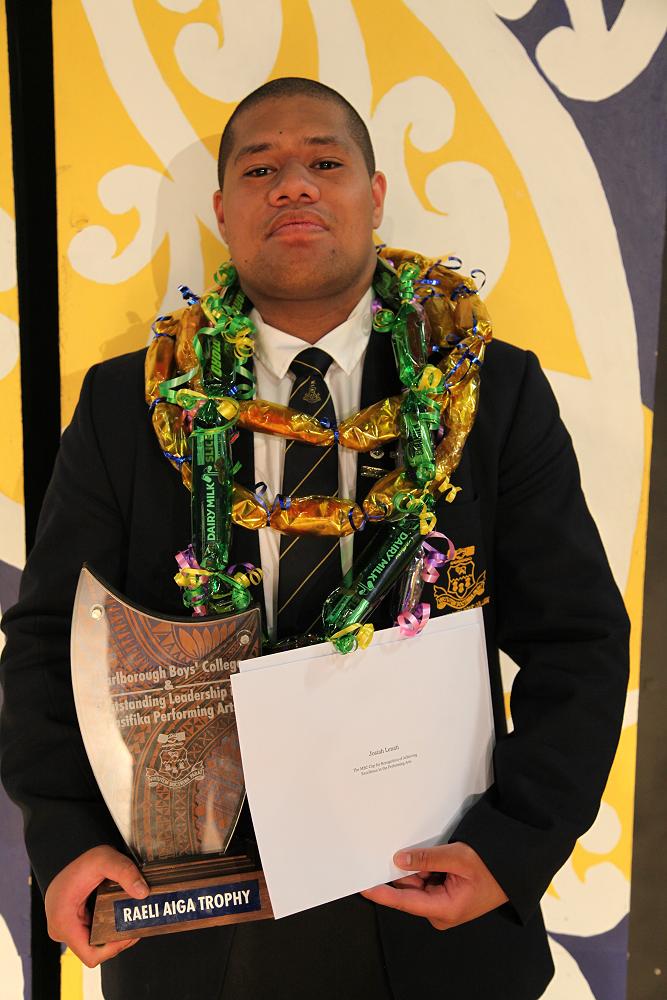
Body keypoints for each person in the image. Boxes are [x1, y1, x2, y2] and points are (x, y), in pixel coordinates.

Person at [0, 77, 629, 1000]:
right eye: (260, 169)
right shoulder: (130, 404)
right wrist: (64, 838)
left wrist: (511, 847)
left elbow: (578, 640)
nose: (293, 184)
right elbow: (52, 640)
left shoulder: (488, 392)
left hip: (430, 899)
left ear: (373, 196)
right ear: (222, 211)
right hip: (194, 916)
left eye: (324, 163)